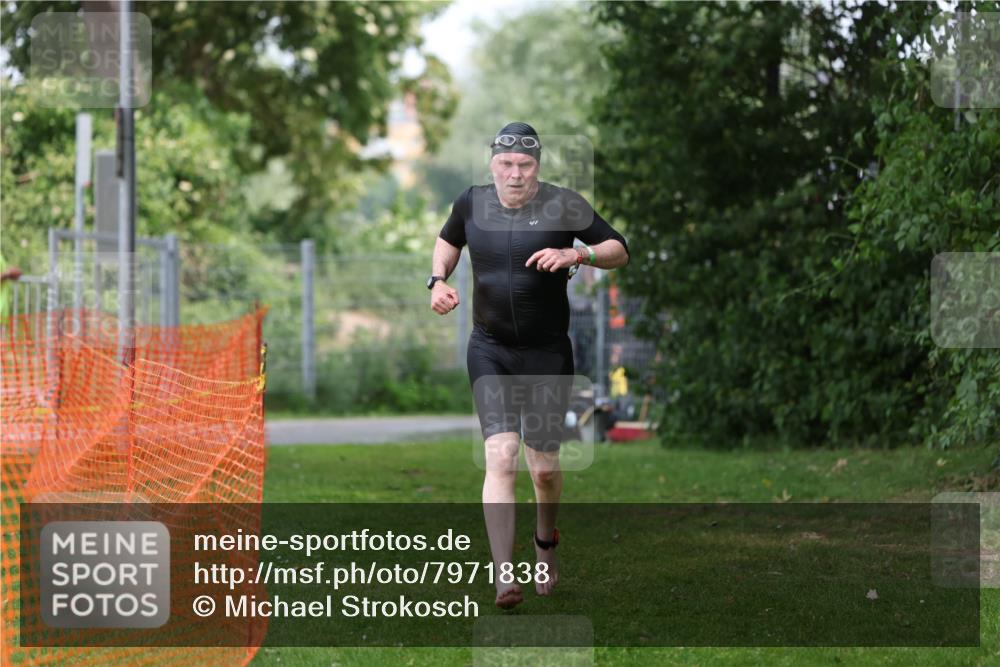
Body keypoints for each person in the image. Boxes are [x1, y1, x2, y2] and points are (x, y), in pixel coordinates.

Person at [428, 122, 629, 609]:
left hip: (546, 354)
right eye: (505, 164)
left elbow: (619, 250)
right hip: (490, 347)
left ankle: (545, 542)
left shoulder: (565, 205)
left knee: (542, 469)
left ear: (537, 166)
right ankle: (503, 576)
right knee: (499, 454)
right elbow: (447, 240)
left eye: (525, 165)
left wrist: (576, 253)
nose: (514, 174)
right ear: (492, 163)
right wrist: (436, 281)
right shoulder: (471, 203)